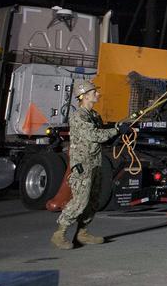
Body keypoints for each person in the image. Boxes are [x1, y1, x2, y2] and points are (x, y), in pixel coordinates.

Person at [51, 80, 122, 249]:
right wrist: (116, 130)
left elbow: (101, 133)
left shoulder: (94, 115)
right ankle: (59, 234)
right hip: (83, 164)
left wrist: (118, 128)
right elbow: (94, 135)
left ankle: (82, 233)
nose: (98, 94)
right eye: (94, 92)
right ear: (84, 96)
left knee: (93, 200)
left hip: (95, 162)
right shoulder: (78, 116)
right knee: (80, 201)